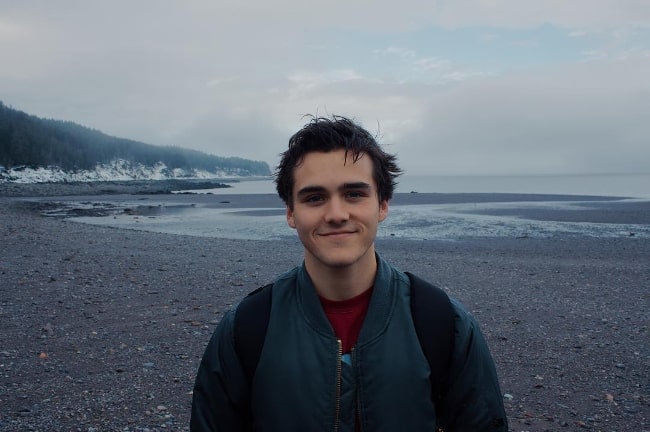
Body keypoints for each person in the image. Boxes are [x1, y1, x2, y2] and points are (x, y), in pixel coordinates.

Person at [191, 115, 508, 431]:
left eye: (354, 194)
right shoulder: (248, 327)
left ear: (382, 205)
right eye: (314, 198)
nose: (336, 214)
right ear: (290, 212)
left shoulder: (441, 323)